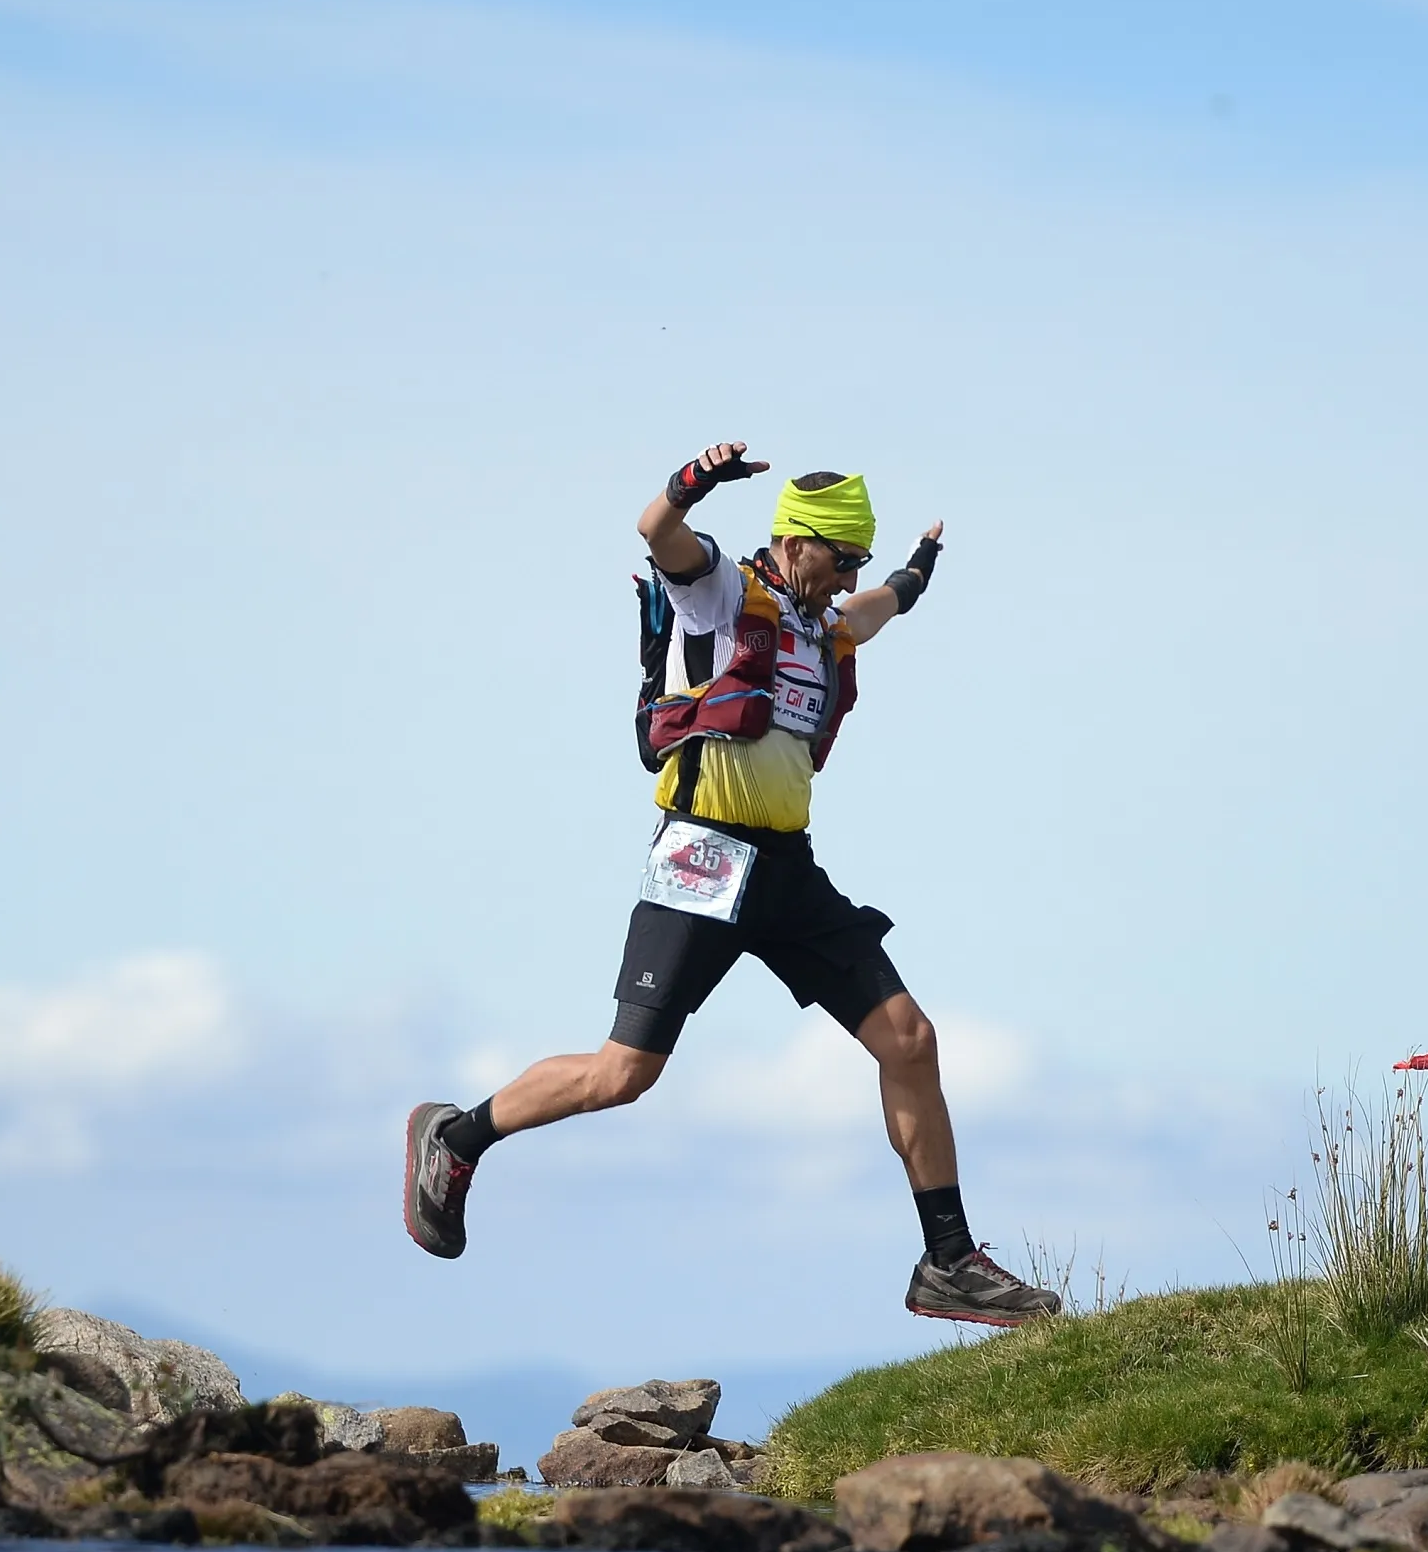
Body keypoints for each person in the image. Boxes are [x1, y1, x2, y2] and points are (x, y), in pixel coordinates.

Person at [401, 440, 1062, 1327]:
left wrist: (917, 569)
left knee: (910, 1039)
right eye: (842, 556)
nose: (847, 575)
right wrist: (694, 481)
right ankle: (457, 1135)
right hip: (702, 858)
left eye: (859, 559)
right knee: (622, 1074)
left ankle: (948, 1261)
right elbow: (657, 528)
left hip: (789, 870)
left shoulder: (824, 624)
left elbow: (882, 611)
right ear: (795, 541)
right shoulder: (719, 590)